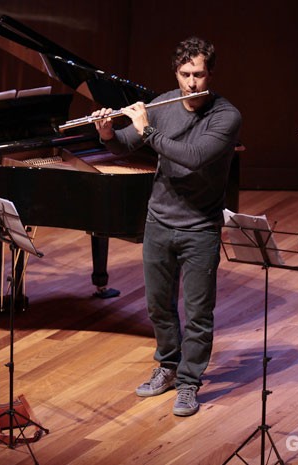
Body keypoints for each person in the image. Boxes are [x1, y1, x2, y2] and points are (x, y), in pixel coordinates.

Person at [92, 37, 241, 416]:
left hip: (199, 228)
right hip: (159, 220)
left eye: (199, 75)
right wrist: (108, 132)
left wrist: (147, 132)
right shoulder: (162, 103)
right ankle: (169, 367)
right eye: (185, 74)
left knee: (197, 312)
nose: (192, 83)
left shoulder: (226, 116)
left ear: (211, 74)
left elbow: (193, 157)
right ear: (176, 73)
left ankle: (190, 383)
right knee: (158, 306)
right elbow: (124, 145)